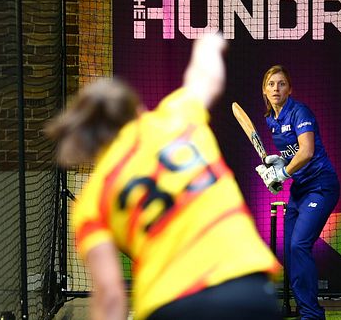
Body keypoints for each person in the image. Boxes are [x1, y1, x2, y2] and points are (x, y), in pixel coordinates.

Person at [46, 33, 281, 320]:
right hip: (244, 286)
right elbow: (205, 76)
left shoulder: (90, 202)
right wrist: (210, 43)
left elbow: (109, 296)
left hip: (168, 304)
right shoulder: (176, 118)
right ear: (137, 109)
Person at [255, 65, 341, 320]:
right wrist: (280, 163)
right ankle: (303, 308)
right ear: (264, 90)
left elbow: (306, 151)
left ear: (289, 89)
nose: (276, 89)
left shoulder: (299, 111)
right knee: (292, 251)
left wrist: (283, 173)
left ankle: (312, 315)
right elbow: (293, 154)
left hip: (321, 186)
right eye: (271, 84)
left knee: (299, 245)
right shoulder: (271, 119)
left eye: (281, 84)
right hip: (300, 189)